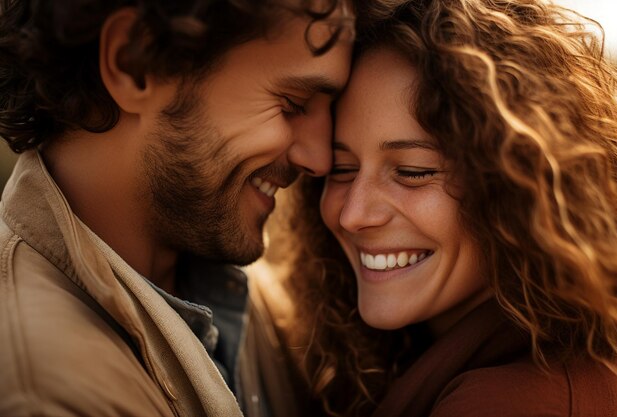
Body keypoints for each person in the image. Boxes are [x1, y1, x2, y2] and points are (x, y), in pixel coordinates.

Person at [0, 0, 373, 416]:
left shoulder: (229, 281)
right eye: (293, 103)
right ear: (136, 63)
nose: (320, 160)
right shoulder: (47, 393)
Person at [281, 0, 617, 416]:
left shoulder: (514, 401)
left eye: (412, 172)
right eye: (341, 169)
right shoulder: (419, 356)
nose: (353, 214)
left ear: (517, 183)